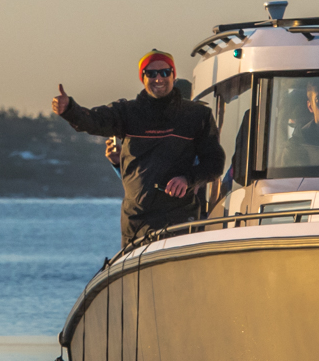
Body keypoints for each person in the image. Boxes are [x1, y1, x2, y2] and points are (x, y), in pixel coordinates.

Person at [53, 50, 225, 246]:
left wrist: (187, 179)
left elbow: (214, 163)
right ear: (142, 78)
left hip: (180, 220)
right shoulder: (127, 112)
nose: (158, 78)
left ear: (173, 75)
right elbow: (94, 120)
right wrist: (70, 110)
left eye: (164, 72)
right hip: (136, 223)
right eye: (151, 73)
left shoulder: (198, 115)